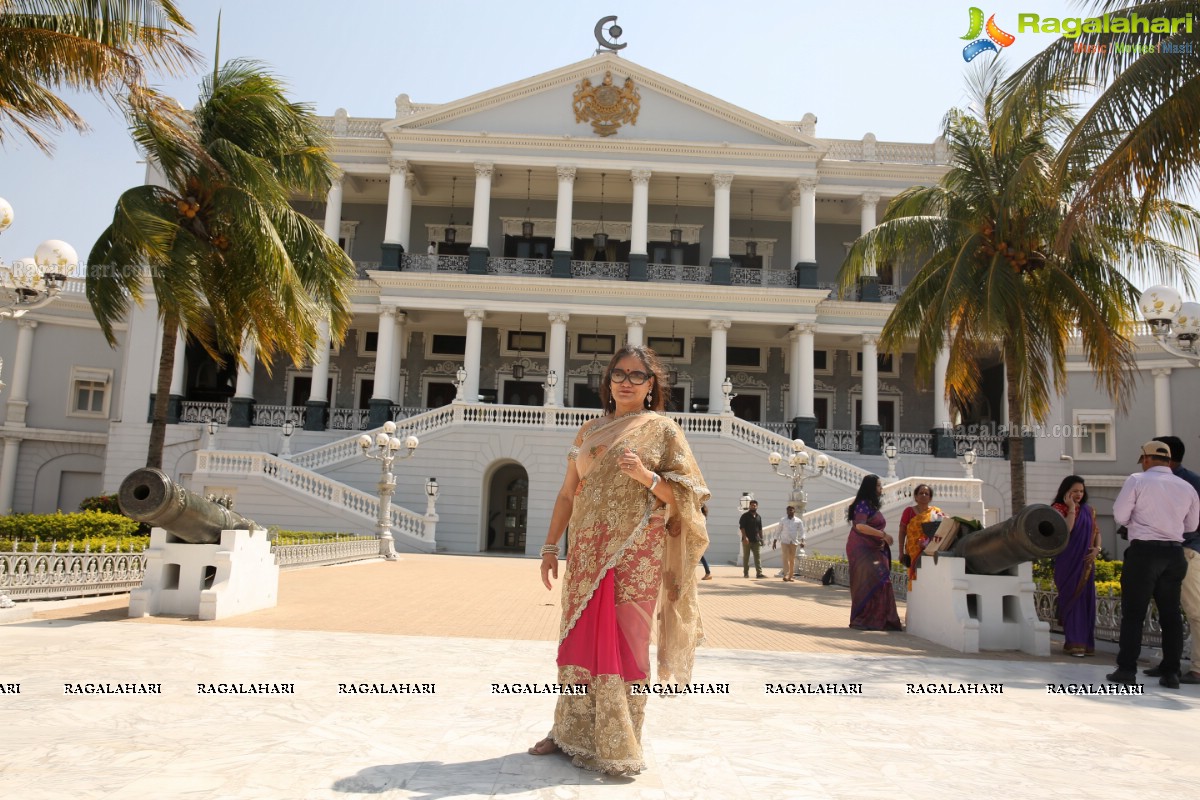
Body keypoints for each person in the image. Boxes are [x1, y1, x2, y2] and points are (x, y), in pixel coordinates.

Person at [529, 344, 709, 774]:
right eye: (619, 374)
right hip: (587, 552)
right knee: (578, 640)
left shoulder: (663, 430)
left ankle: (621, 741)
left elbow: (690, 496)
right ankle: (568, 731)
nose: (626, 382)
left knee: (628, 644)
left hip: (635, 553)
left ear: (651, 386)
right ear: (608, 382)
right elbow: (567, 493)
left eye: (636, 376)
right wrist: (551, 547)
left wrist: (646, 477)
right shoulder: (588, 432)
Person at [1107, 441, 1199, 689]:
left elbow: (1120, 515)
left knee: (1134, 614)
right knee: (1170, 616)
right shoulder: (1186, 487)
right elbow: (1191, 526)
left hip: (1144, 553)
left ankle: (1127, 670)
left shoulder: (1137, 480)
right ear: (1169, 461)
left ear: (1146, 459)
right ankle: (1171, 673)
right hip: (1174, 554)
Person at [1149, 436, 1200, 684]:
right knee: (1168, 611)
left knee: (1195, 611)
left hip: (1187, 551)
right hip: (1164, 552)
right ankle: (1170, 664)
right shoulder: (1157, 482)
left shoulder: (1191, 482)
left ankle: (1199, 668)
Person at [1050, 475, 1100, 657]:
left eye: (1081, 491)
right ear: (1066, 492)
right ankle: (1074, 643)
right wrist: (1071, 509)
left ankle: (1084, 644)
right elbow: (1066, 530)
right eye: (1075, 491)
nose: (1079, 494)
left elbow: (1096, 532)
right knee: (1071, 599)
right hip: (1067, 561)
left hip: (1086, 562)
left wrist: (1096, 549)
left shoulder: (1089, 510)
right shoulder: (1057, 509)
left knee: (1085, 601)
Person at [846, 474, 902, 631]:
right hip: (861, 548)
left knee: (881, 581)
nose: (881, 489)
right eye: (878, 486)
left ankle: (882, 619)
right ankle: (864, 619)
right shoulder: (862, 504)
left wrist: (881, 538)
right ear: (870, 487)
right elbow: (860, 526)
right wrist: (883, 535)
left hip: (875, 548)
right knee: (869, 581)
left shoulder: (871, 505)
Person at [898, 484, 942, 588]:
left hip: (930, 551)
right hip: (913, 551)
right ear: (916, 496)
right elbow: (902, 531)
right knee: (914, 577)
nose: (923, 495)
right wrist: (901, 552)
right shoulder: (908, 512)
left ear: (930, 497)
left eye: (926, 493)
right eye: (921, 493)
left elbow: (941, 530)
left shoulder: (936, 512)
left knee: (929, 578)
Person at [772, 505, 805, 582]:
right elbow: (778, 531)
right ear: (786, 511)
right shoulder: (783, 520)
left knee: (791, 560)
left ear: (794, 511)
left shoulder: (798, 521)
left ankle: (790, 576)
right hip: (785, 541)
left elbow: (801, 531)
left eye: (791, 510)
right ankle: (786, 574)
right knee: (785, 558)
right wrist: (774, 541)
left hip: (793, 542)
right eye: (788, 510)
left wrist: (802, 541)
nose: (790, 511)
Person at [739, 499, 764, 578]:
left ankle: (759, 573)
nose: (753, 506)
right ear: (750, 506)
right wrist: (745, 537)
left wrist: (761, 538)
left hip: (756, 540)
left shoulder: (758, 517)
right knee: (746, 557)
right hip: (747, 540)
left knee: (758, 557)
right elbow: (742, 527)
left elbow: (760, 529)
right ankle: (746, 573)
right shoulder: (745, 516)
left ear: (757, 506)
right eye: (752, 505)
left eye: (755, 505)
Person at [699, 504, 713, 580]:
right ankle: (708, 572)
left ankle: (708, 573)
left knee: (700, 556)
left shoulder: (701, 518)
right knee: (700, 556)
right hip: (702, 538)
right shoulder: (703, 517)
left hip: (699, 538)